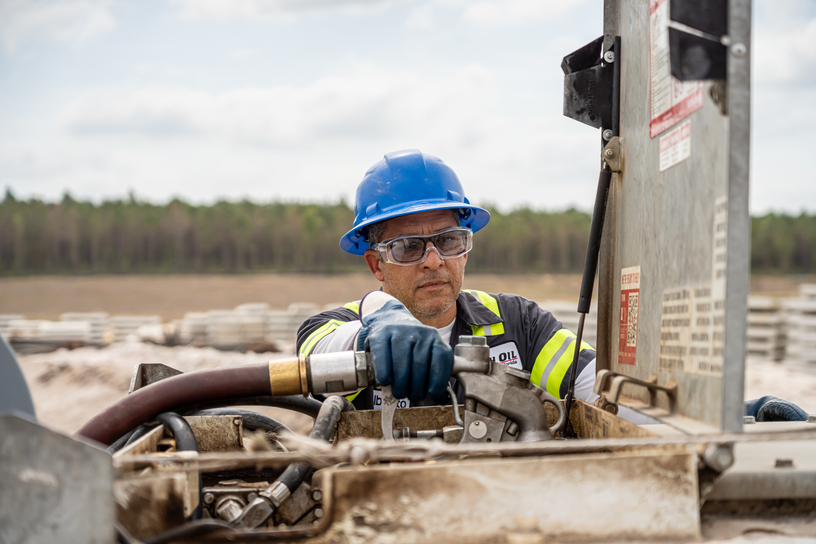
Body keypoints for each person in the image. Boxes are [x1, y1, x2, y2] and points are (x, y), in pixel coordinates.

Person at [296, 149, 808, 424]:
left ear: (466, 248)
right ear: (375, 264)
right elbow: (314, 356)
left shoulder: (517, 324)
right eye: (409, 247)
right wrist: (378, 325)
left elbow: (604, 393)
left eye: (449, 241)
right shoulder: (339, 326)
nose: (434, 260)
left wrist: (723, 415)